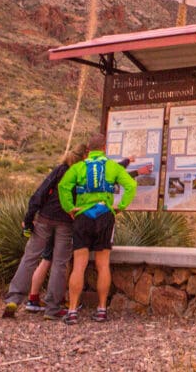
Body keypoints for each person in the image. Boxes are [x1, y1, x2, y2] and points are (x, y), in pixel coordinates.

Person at [58, 133, 137, 324]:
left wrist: (69, 208)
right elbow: (131, 185)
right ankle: (102, 309)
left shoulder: (79, 167)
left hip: (83, 216)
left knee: (79, 265)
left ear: (88, 150)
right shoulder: (112, 167)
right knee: (103, 265)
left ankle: (72, 311)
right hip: (104, 215)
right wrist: (121, 206)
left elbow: (63, 186)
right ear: (104, 148)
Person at [1, 145, 85, 320]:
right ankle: (52, 308)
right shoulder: (81, 175)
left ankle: (14, 299)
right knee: (60, 263)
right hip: (65, 222)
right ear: (84, 157)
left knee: (30, 257)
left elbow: (40, 193)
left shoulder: (60, 170)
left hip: (44, 218)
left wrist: (29, 217)